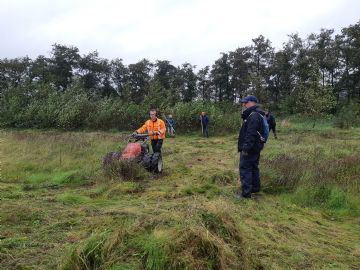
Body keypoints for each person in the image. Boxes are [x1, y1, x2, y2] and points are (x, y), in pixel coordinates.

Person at [237, 95, 265, 199]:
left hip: (250, 148)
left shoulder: (253, 116)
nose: (244, 104)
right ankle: (255, 189)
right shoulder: (257, 114)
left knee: (245, 168)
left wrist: (246, 148)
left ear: (253, 102)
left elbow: (251, 134)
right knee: (253, 168)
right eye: (244, 102)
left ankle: (246, 194)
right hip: (256, 147)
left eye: (246, 102)